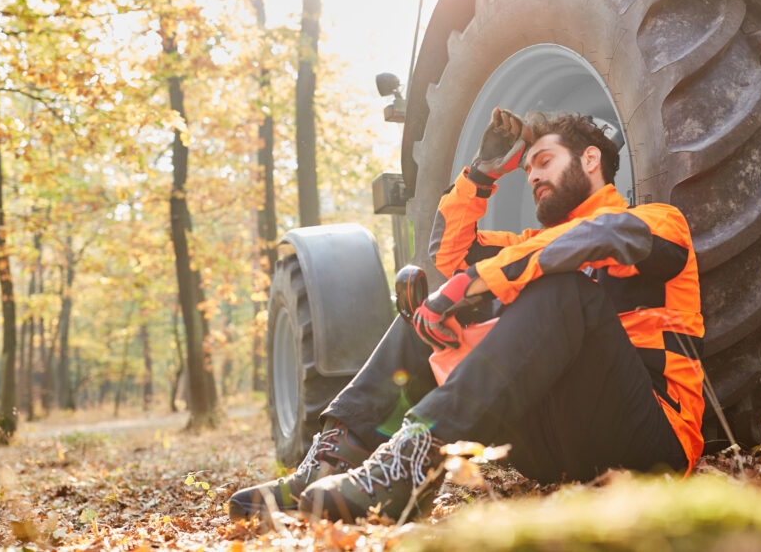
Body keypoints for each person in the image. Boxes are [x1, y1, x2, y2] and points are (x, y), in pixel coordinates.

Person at [229, 109, 705, 523]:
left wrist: (474, 284)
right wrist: (481, 174)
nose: (535, 176)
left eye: (545, 162)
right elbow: (449, 256)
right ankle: (332, 461)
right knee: (424, 316)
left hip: (652, 444)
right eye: (529, 169)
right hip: (555, 449)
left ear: (590, 160)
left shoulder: (656, 222)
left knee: (566, 288)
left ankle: (413, 459)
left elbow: (593, 238)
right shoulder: (526, 247)